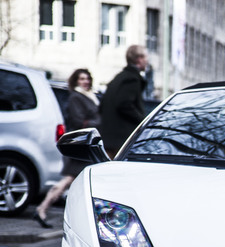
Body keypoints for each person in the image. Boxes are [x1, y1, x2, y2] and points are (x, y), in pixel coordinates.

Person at [34, 69, 100, 228]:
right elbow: (78, 122)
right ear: (76, 81)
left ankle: (45, 208)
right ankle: (42, 208)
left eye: (87, 79)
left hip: (85, 145)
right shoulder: (76, 97)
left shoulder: (89, 96)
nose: (85, 81)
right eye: (81, 79)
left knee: (73, 181)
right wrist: (100, 125)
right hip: (80, 146)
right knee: (68, 180)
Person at [99, 44, 148, 159]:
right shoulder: (132, 79)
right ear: (139, 59)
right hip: (121, 140)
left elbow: (102, 106)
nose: (147, 61)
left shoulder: (119, 77)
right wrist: (143, 121)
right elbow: (124, 104)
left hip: (111, 138)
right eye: (145, 58)